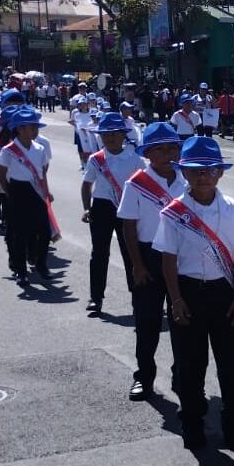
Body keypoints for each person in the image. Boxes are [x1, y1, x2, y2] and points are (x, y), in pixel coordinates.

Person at [154, 136, 234, 451]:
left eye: (210, 170)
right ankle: (192, 424)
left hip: (224, 294)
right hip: (188, 293)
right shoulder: (173, 211)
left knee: (230, 364)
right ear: (184, 172)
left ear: (220, 173)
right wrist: (175, 299)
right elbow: (168, 259)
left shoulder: (232, 208)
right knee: (191, 365)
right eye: (195, 170)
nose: (203, 176)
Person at [117, 122, 186, 401]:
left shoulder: (187, 179)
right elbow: (128, 228)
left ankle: (182, 375)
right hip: (149, 256)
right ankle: (143, 377)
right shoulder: (136, 183)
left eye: (172, 148)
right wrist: (137, 265)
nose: (167, 154)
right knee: (147, 323)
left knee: (183, 321)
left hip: (182, 259)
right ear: (148, 153)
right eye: (159, 149)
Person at [80, 112, 141, 317]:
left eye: (114, 133)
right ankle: (96, 298)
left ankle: (138, 298)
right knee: (99, 254)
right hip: (102, 208)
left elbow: (144, 188)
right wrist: (87, 208)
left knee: (131, 255)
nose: (110, 137)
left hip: (127, 210)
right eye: (105, 134)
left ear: (123, 134)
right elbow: (86, 185)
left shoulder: (135, 159)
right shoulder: (95, 159)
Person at [0, 106, 56, 284]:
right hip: (18, 190)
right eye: (31, 127)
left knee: (44, 232)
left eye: (35, 127)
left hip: (37, 192)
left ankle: (40, 264)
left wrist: (46, 191)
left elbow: (43, 172)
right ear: (20, 129)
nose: (34, 130)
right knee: (20, 233)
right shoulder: (9, 150)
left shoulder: (39, 148)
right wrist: (10, 192)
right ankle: (21, 270)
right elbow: (1, 173)